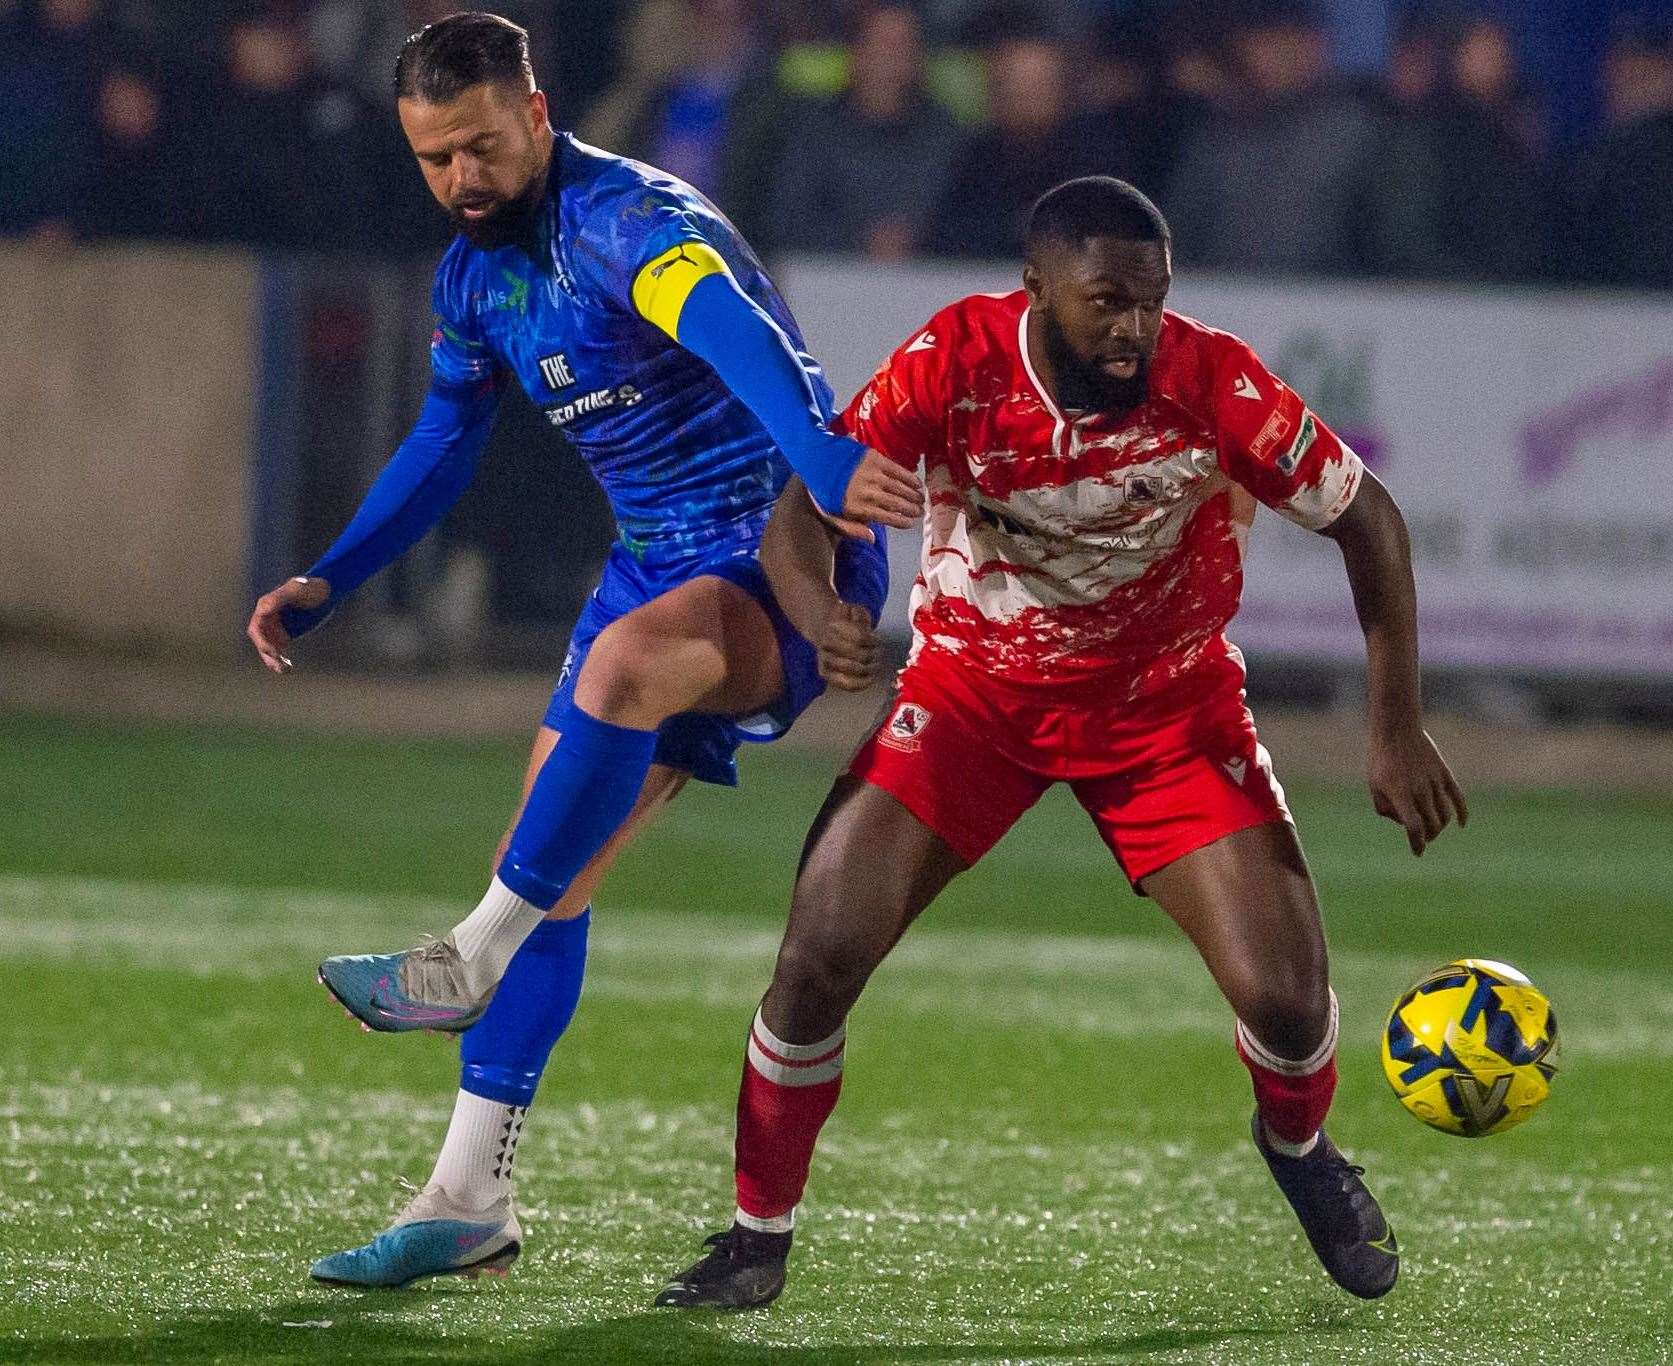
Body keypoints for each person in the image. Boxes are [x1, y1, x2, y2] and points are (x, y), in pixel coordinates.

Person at [656, 176, 1467, 1310]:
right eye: (1105, 304)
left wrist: (1394, 727)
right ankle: (754, 1236)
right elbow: (802, 510)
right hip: (970, 697)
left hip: (1162, 710)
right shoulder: (950, 359)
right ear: (1034, 288)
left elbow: (1365, 516)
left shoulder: (1212, 380)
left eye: (1149, 301)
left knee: (1285, 1002)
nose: (1133, 328)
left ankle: (1298, 1150)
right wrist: (817, 617)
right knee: (817, 953)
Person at [244, 10, 918, 1288]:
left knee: (613, 678)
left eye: (482, 148)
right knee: (549, 859)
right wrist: (335, 574)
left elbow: (733, 332)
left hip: (776, 553)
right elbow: (443, 442)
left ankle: (465, 955)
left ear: (538, 114)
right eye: (434, 159)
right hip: (652, 563)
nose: (461, 180)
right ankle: (467, 1197)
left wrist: (825, 454)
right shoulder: (471, 276)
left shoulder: (628, 223)